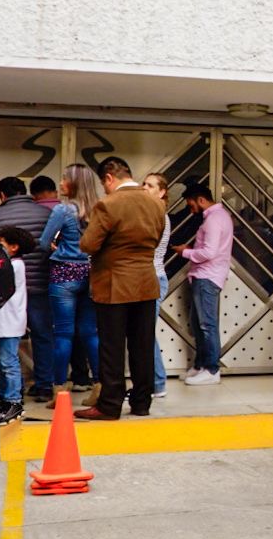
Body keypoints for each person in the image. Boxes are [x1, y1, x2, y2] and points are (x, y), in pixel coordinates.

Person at [75, 157, 164, 421]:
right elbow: (156, 238)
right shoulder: (156, 204)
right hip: (146, 282)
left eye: (104, 184)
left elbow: (89, 244)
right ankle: (141, 403)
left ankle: (110, 405)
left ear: (109, 178)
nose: (104, 189)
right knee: (142, 345)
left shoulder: (108, 204)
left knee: (112, 347)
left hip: (114, 284)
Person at [0, 177, 54, 402]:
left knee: (8, 341)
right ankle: (44, 385)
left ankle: (10, 391)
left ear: (3, 195)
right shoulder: (45, 214)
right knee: (43, 335)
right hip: (40, 283)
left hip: (9, 290)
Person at [40, 164, 100, 405]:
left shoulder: (62, 211)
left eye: (64, 179)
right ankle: (99, 386)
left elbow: (44, 242)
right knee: (90, 333)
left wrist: (57, 248)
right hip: (90, 273)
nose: (61, 182)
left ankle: (59, 392)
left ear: (73, 183)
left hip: (64, 275)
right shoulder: (99, 209)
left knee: (63, 333)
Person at [174, 178, 234, 386]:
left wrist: (185, 252)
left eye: (191, 204)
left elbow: (209, 251)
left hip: (208, 276)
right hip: (203, 276)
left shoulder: (214, 220)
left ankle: (211, 369)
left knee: (206, 324)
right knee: (198, 325)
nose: (189, 209)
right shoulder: (217, 217)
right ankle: (200, 366)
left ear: (201, 200)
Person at [0, 227, 32, 427]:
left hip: (10, 320)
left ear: (14, 247)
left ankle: (14, 401)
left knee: (9, 362)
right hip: (4, 319)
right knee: (2, 360)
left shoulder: (15, 265)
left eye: (1, 242)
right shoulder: (11, 263)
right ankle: (5, 397)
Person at [141, 173, 172, 399]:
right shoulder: (151, 213)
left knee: (146, 333)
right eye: (143, 183)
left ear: (161, 192)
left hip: (153, 278)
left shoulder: (158, 215)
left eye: (150, 185)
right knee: (144, 332)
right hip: (150, 277)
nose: (144, 188)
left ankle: (158, 383)